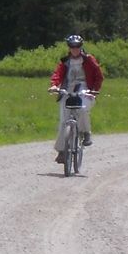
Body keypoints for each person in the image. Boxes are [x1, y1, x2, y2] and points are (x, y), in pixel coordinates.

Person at [50, 33, 103, 162]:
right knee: (63, 122)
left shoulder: (89, 59)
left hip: (85, 89)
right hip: (68, 89)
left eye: (77, 46)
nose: (75, 49)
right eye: (72, 47)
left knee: (83, 109)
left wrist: (94, 91)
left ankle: (86, 133)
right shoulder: (65, 61)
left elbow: (98, 76)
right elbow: (57, 74)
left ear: (81, 46)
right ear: (69, 47)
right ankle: (62, 151)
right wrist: (54, 86)